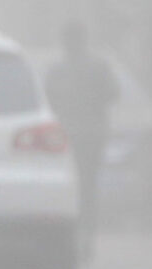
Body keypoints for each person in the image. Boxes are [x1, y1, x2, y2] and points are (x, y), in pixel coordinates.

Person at [44, 21, 118, 257]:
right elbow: (113, 94)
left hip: (65, 138)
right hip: (92, 135)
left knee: (70, 189)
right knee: (88, 187)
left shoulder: (58, 70)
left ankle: (74, 238)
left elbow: (47, 101)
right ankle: (86, 238)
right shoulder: (98, 67)